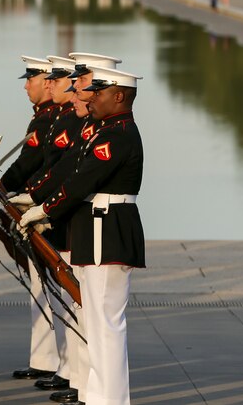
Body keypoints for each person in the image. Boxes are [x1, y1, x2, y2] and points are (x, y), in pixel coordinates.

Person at [20, 65, 145, 405]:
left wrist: (45, 209)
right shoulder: (102, 131)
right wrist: (37, 197)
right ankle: (97, 395)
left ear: (119, 96)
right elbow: (71, 170)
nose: (92, 98)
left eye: (99, 92)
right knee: (95, 323)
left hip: (109, 232)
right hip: (95, 232)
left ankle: (111, 399)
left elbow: (82, 181)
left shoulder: (117, 135)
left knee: (105, 326)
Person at [1, 55, 61, 381]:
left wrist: (1, 186)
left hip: (47, 212)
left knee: (47, 288)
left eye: (31, 79)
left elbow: (28, 164)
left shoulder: (49, 119)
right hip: (38, 207)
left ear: (47, 82)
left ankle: (52, 361)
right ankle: (44, 359)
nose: (27, 86)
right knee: (41, 287)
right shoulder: (48, 116)